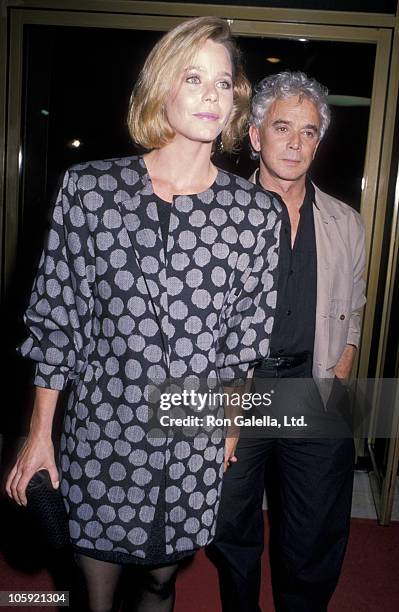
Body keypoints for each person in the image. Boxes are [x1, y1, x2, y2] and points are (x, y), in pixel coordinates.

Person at [5, 17, 281, 612]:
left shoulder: (255, 215)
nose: (212, 93)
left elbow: (245, 339)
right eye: (193, 76)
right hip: (103, 429)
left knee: (161, 580)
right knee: (94, 589)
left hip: (192, 438)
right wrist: (38, 435)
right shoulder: (91, 191)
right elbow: (58, 322)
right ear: (162, 88)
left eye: (224, 81)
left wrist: (231, 424)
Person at [209, 71, 367, 611]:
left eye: (308, 131)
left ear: (319, 141)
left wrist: (342, 363)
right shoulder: (218, 217)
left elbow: (357, 301)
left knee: (315, 531)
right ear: (256, 136)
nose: (295, 142)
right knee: (230, 524)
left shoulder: (346, 223)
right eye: (282, 127)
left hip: (312, 386)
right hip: (240, 392)